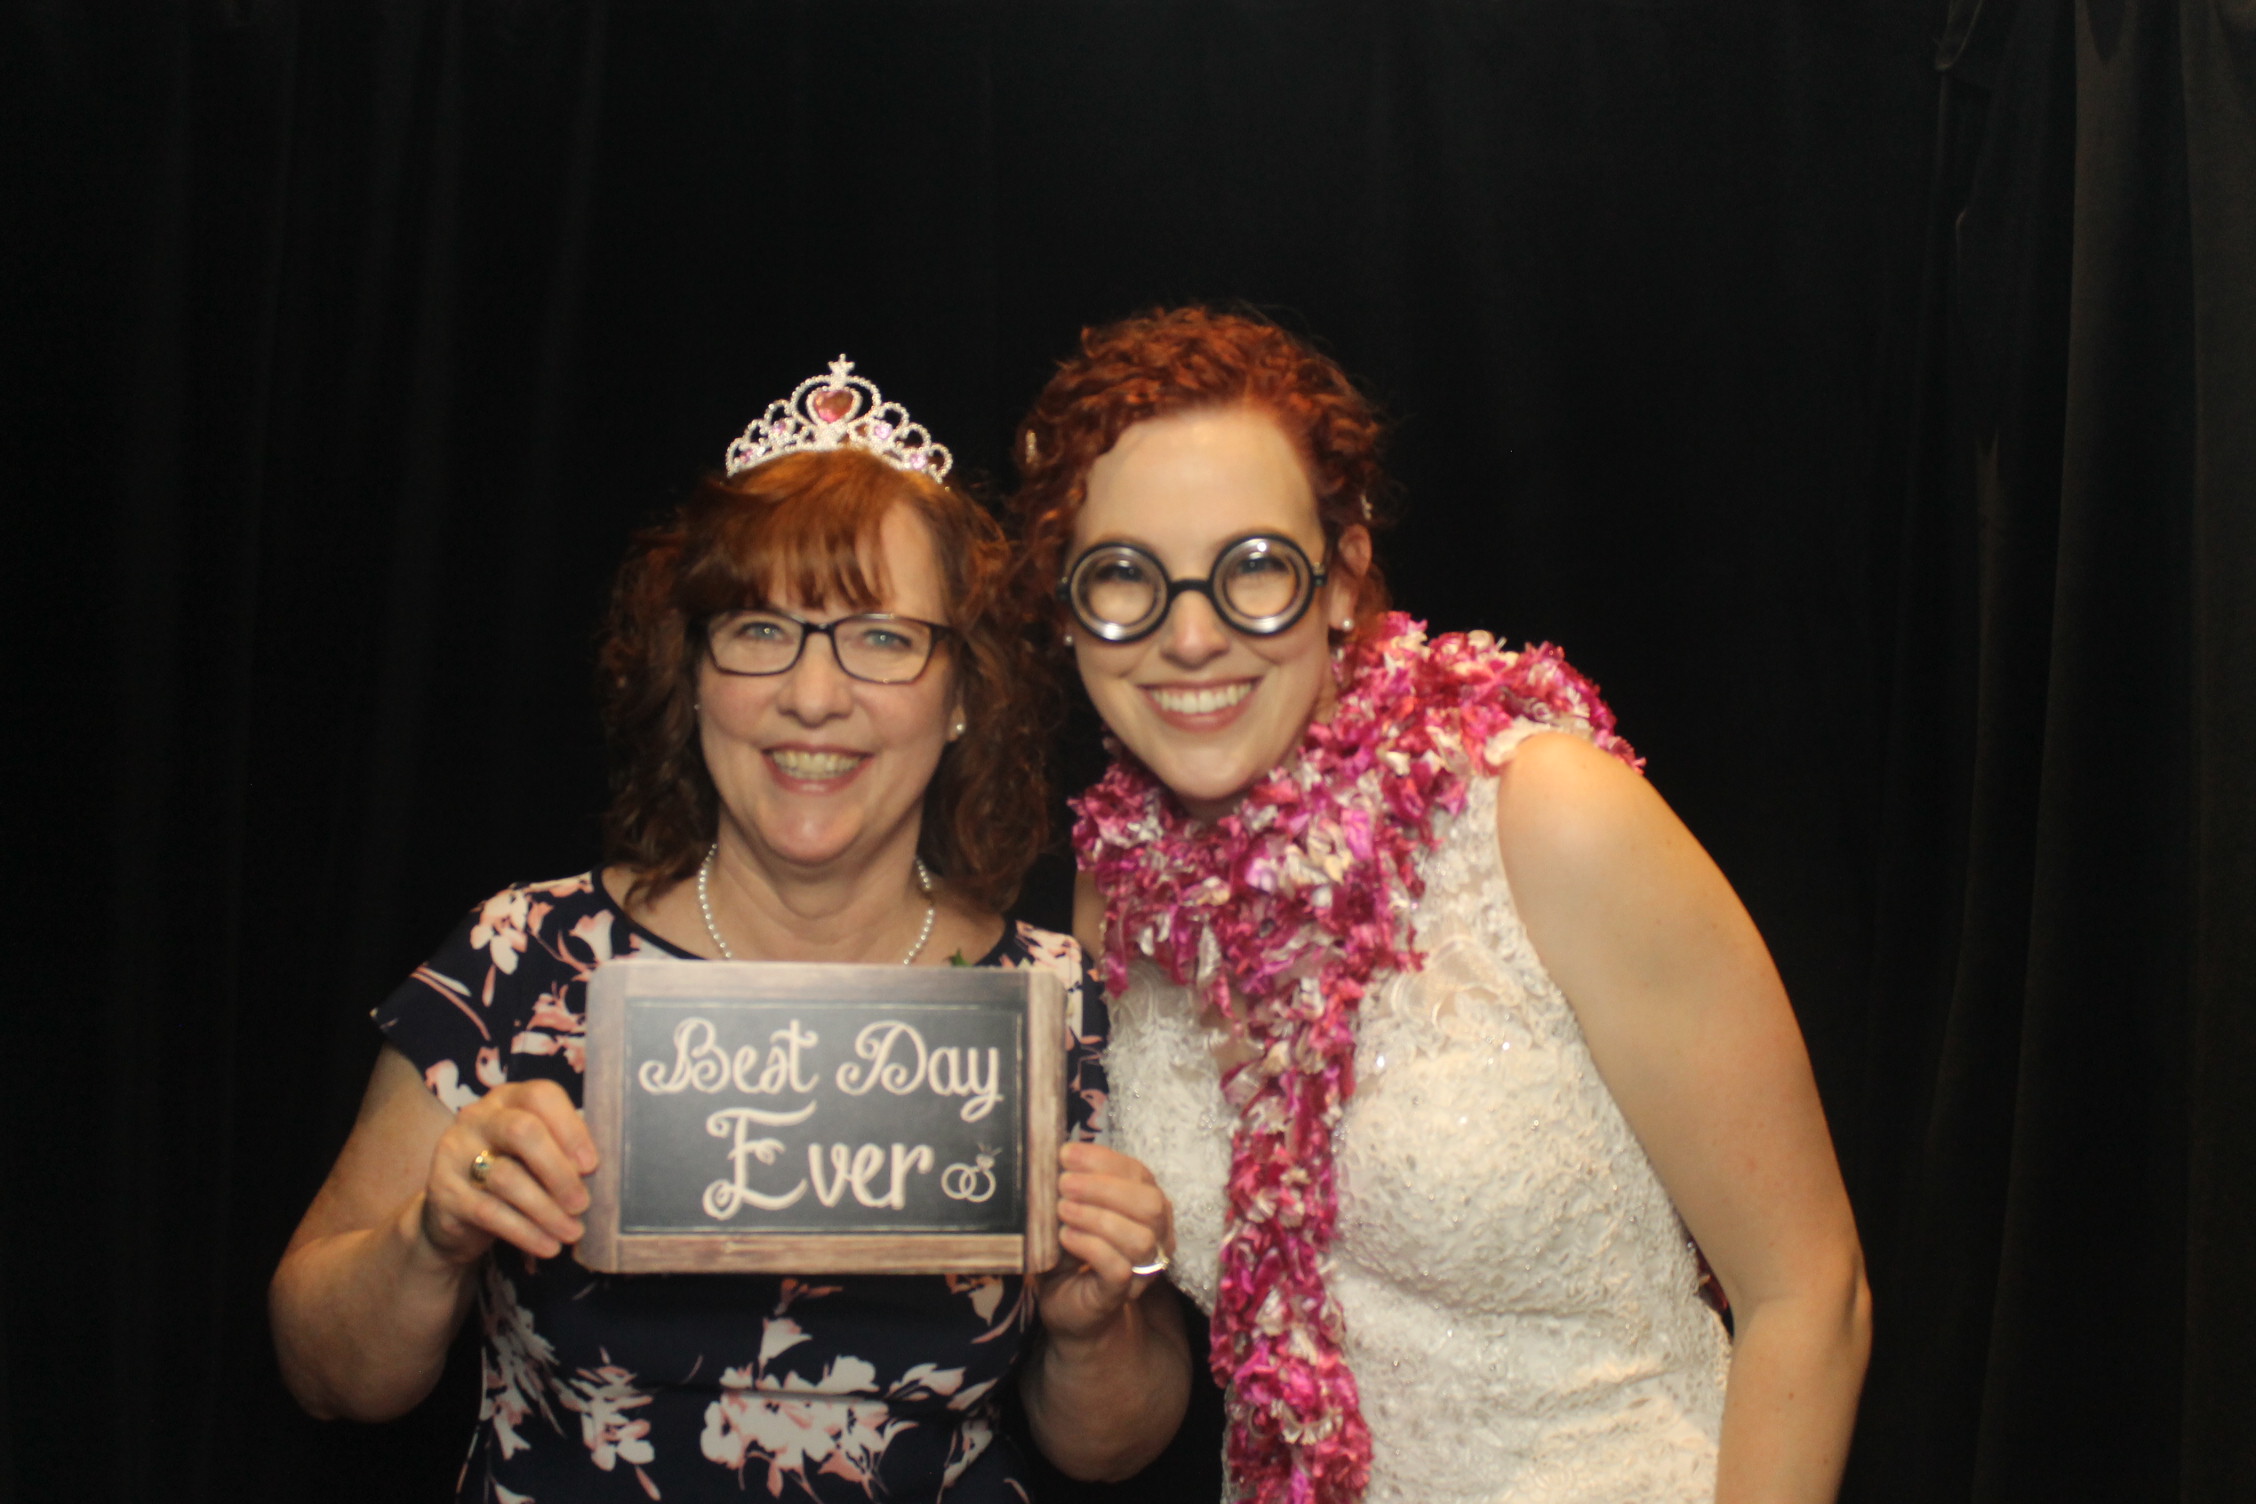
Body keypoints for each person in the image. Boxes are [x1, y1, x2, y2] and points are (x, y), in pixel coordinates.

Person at [272, 358, 1189, 1502]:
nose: (813, 696)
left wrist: (1097, 1323)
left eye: (882, 637)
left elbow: (1112, 1446)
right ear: (694, 673)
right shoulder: (523, 955)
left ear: (963, 691)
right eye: (762, 630)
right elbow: (325, 1375)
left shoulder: (1057, 1006)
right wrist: (430, 1235)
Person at [1008, 310, 1871, 1504]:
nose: (1191, 635)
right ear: (1067, 608)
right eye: (1125, 577)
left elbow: (1809, 1293)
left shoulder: (1543, 813)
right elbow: (1133, 1417)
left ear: (1341, 576)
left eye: (1253, 566)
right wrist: (1097, 1315)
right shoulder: (1124, 889)